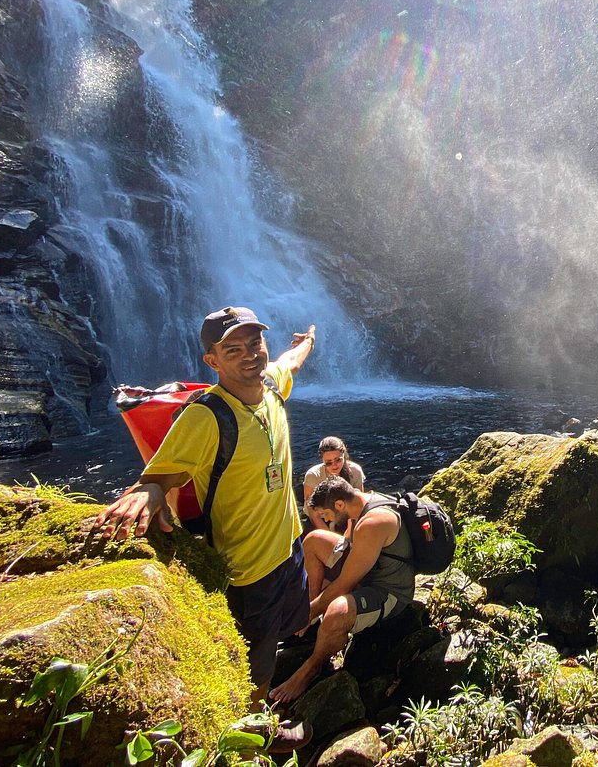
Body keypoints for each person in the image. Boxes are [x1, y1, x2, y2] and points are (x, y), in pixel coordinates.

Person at [95, 306, 316, 751]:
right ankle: (254, 733)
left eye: (254, 343)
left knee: (286, 625)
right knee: (253, 662)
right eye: (233, 349)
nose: (249, 355)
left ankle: (267, 684)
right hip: (245, 569)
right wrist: (147, 493)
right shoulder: (205, 417)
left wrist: (305, 344)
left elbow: (288, 364)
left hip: (288, 547)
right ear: (212, 361)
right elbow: (159, 477)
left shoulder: (271, 385)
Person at [268, 475, 415, 704]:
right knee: (315, 539)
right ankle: (311, 627)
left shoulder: (373, 522)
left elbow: (345, 583)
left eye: (326, 516)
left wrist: (310, 611)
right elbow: (348, 546)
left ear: (339, 504)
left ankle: (311, 668)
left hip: (389, 590)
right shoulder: (361, 504)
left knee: (336, 610)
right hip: (368, 571)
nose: (326, 521)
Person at [302, 436, 366, 531]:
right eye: (328, 463)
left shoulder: (355, 471)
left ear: (344, 455)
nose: (334, 465)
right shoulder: (313, 475)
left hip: (345, 517)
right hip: (319, 520)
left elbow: (358, 504)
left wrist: (350, 533)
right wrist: (330, 536)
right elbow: (312, 512)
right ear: (322, 461)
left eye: (338, 460)